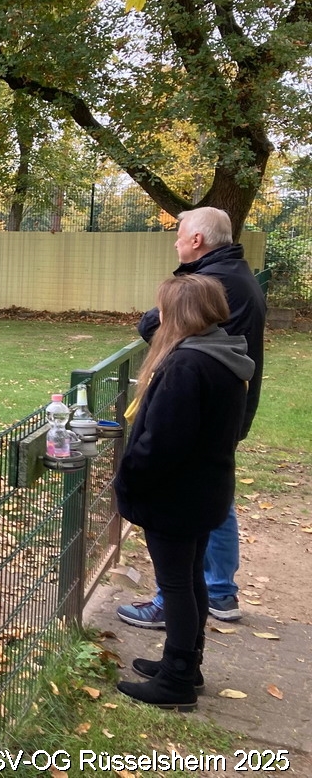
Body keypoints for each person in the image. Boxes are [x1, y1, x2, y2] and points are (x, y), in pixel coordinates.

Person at [117, 207, 266, 630]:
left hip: (207, 408)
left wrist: (129, 480)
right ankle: (217, 591)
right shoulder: (233, 274)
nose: (176, 241)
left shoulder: (214, 282)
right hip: (224, 405)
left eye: (180, 234)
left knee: (193, 502)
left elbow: (157, 325)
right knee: (212, 497)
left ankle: (183, 600)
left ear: (197, 240)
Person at [114, 274, 254, 710]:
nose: (158, 315)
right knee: (190, 578)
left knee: (176, 583)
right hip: (205, 489)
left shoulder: (187, 366)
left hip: (176, 496)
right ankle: (186, 665)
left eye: (164, 308)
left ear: (180, 312)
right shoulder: (223, 355)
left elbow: (162, 442)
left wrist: (128, 479)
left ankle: (176, 680)